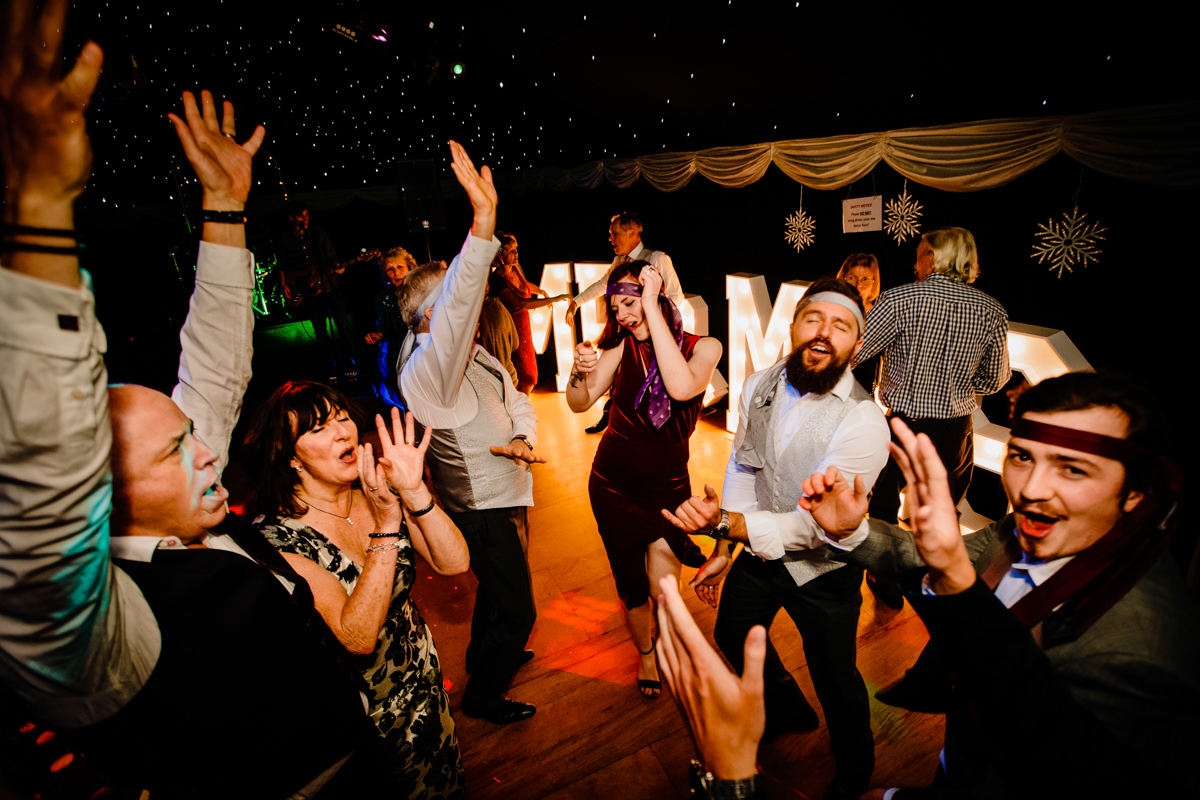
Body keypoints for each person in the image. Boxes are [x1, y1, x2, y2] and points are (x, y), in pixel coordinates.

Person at [0, 6, 389, 794]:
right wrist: (38, 213)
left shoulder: (185, 506)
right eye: (176, 448)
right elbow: (43, 492)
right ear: (98, 499)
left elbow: (212, 364)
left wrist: (223, 210)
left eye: (190, 436)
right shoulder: (102, 627)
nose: (208, 447)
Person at [801, 371, 1200, 798]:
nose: (1032, 489)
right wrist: (852, 530)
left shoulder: (1138, 651)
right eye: (1023, 457)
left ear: (1136, 493)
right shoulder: (1023, 528)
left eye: (1073, 468)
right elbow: (944, 557)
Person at [663, 276, 889, 800]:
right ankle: (787, 707)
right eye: (814, 319)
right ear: (793, 325)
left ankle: (856, 764)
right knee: (733, 634)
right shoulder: (760, 383)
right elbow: (745, 465)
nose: (823, 333)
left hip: (825, 570)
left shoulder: (863, 421)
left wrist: (730, 527)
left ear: (857, 344)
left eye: (842, 326)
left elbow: (815, 528)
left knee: (835, 675)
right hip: (761, 556)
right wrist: (725, 549)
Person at [247, 387, 470, 799]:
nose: (342, 433)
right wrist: (387, 524)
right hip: (365, 717)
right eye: (319, 428)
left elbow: (453, 562)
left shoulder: (376, 489)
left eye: (341, 418)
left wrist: (415, 491)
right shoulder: (277, 541)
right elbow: (357, 636)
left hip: (424, 685)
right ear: (290, 456)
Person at [394, 143, 543, 725]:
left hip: (505, 490)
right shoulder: (427, 365)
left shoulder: (469, 350)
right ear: (432, 317)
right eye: (455, 293)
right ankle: (484, 694)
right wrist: (482, 228)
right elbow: (456, 313)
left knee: (499, 591)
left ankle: (489, 650)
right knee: (521, 606)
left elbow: (514, 395)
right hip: (478, 506)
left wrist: (524, 438)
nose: (474, 296)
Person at [566, 260, 721, 698]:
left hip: (668, 489)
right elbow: (579, 403)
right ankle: (647, 653)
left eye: (630, 303)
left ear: (658, 299)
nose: (623, 316)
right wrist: (578, 370)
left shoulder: (704, 348)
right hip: (612, 486)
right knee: (632, 586)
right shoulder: (619, 349)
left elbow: (680, 388)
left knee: (664, 587)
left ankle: (669, 642)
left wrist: (650, 306)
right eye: (616, 308)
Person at [854, 228, 1009, 522]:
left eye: (917, 254)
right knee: (941, 515)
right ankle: (930, 568)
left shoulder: (898, 299)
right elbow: (994, 381)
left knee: (883, 511)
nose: (914, 264)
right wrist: (958, 380)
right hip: (955, 430)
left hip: (904, 426)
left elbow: (855, 352)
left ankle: (878, 568)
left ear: (932, 256)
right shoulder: (993, 310)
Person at [568, 212, 685, 434]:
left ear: (632, 233)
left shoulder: (658, 258)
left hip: (654, 342)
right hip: (625, 338)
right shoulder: (619, 261)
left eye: (615, 233)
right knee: (618, 383)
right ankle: (612, 420)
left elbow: (676, 296)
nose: (611, 239)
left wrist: (651, 320)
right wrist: (576, 301)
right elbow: (602, 285)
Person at [277, 200, 361, 380]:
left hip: (330, 286)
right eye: (301, 216)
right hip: (307, 292)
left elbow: (332, 258)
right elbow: (282, 265)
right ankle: (331, 365)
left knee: (343, 326)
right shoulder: (285, 238)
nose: (305, 219)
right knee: (320, 331)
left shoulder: (318, 233)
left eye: (307, 215)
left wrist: (339, 267)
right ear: (292, 218)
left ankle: (350, 361)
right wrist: (284, 284)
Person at [488, 231, 567, 394]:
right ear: (499, 254)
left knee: (530, 375)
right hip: (512, 332)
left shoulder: (514, 270)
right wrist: (551, 299)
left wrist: (541, 291)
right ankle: (521, 415)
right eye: (510, 250)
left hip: (524, 329)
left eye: (516, 249)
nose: (516, 253)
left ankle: (522, 413)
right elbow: (521, 303)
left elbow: (525, 285)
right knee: (524, 377)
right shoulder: (498, 280)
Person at [365, 246, 419, 405]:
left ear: (410, 267)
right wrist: (377, 335)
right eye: (390, 269)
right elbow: (385, 326)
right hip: (399, 352)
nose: (396, 272)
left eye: (400, 267)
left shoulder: (423, 291)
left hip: (423, 350)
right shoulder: (383, 298)